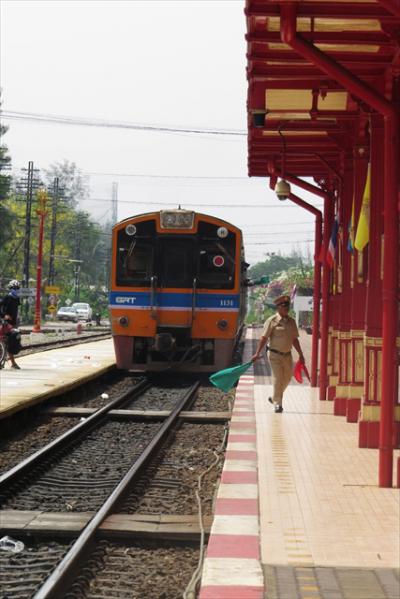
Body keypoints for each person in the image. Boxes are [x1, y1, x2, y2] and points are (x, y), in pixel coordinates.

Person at [251, 294, 305, 413]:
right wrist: (256, 353)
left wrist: (301, 354)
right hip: (274, 355)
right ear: (278, 308)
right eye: (284, 307)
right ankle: (278, 404)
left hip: (287, 355)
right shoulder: (271, 321)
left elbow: (294, 339)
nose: (286, 309)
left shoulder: (291, 322)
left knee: (287, 378)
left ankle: (275, 397)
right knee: (277, 378)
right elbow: (264, 338)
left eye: (288, 307)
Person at [0, 279, 21, 369]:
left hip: (13, 323)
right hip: (5, 323)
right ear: (10, 288)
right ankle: (10, 362)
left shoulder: (17, 299)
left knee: (10, 342)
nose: (15, 290)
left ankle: (10, 362)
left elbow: (16, 311)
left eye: (17, 288)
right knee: (5, 341)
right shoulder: (7, 297)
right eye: (14, 288)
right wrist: (4, 316)